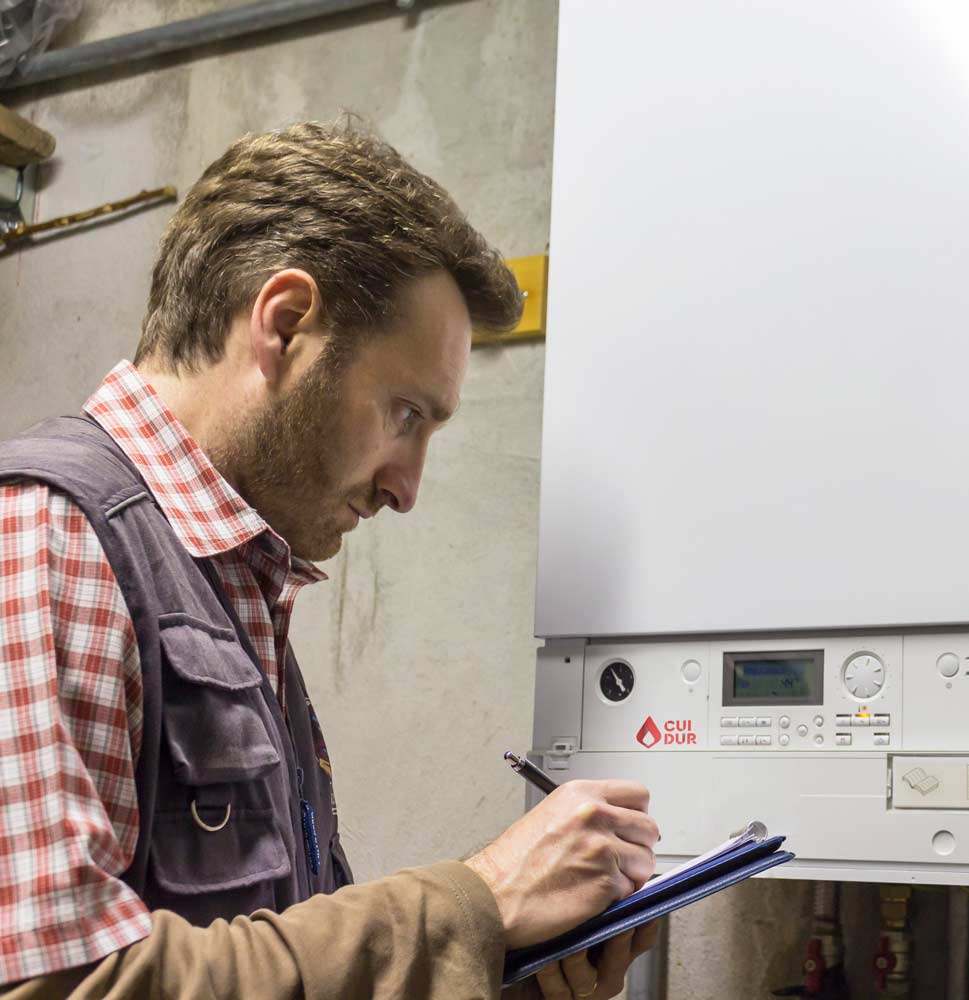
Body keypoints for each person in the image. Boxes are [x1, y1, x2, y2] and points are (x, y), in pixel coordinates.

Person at [0, 121, 658, 1000]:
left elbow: (277, 953)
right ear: (285, 325)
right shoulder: (49, 535)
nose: (407, 486)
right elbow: (62, 985)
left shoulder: (226, 582)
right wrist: (478, 900)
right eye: (406, 414)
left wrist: (507, 962)